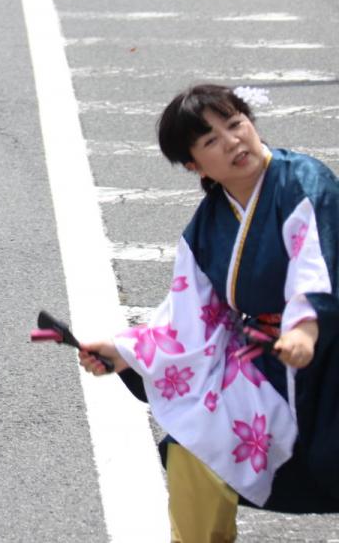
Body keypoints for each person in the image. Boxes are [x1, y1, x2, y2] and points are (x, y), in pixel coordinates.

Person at [79, 85, 339, 540]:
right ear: (194, 165)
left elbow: (313, 265)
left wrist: (305, 328)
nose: (233, 141)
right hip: (275, 365)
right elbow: (190, 315)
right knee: (193, 447)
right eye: (210, 140)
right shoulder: (207, 227)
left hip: (327, 351)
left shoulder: (305, 181)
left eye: (236, 124)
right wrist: (123, 352)